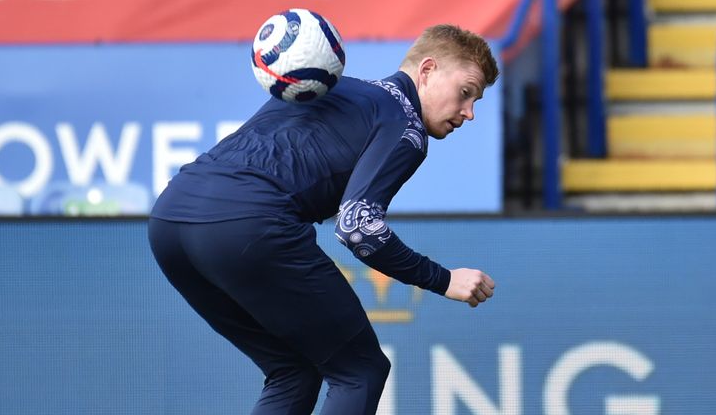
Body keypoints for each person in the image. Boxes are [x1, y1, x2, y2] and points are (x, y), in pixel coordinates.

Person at [148, 23, 499, 415]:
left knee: (292, 370)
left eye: (476, 103)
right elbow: (357, 228)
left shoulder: (325, 83)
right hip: (248, 226)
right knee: (361, 370)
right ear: (427, 70)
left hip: (171, 218)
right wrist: (443, 279)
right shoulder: (407, 126)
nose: (468, 113)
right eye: (465, 94)